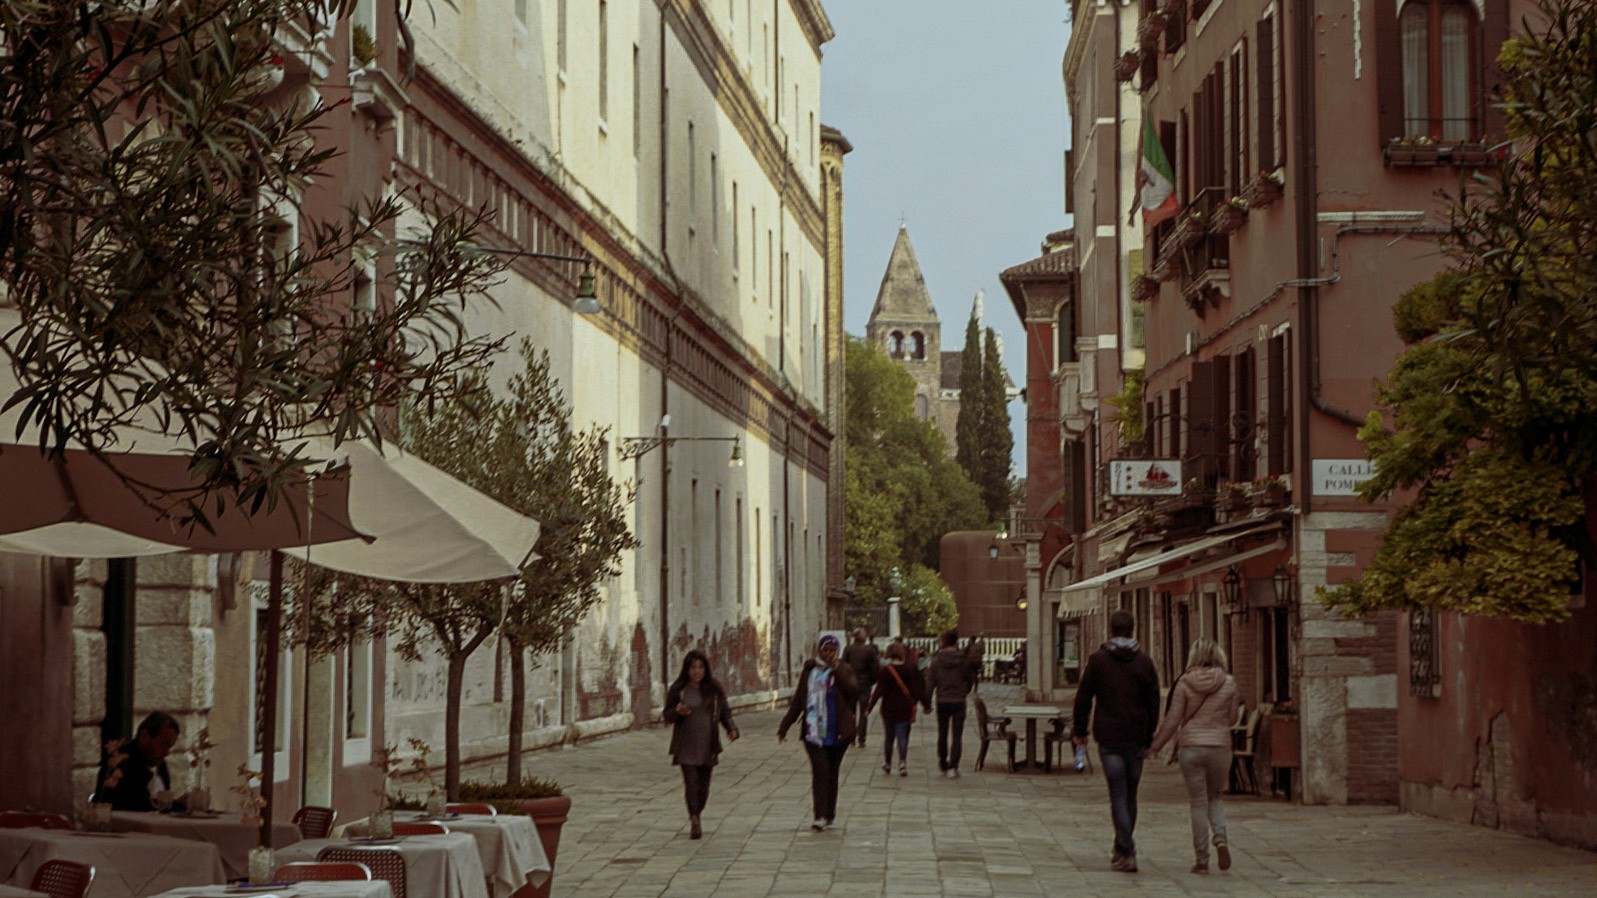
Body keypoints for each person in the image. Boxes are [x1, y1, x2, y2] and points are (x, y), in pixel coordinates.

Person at [1071, 609, 1161, 873]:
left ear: (1110, 630)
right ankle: (1121, 848)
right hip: (1136, 737)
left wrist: (1080, 730)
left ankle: (1126, 850)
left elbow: (1083, 697)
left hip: (1109, 736)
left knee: (1118, 795)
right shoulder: (1144, 662)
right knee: (1130, 796)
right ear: (1133, 629)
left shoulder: (1099, 661)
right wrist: (1149, 735)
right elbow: (1154, 702)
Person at [1149, 638, 1240, 874]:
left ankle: (1201, 861)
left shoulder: (1184, 682)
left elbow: (1172, 720)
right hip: (1220, 747)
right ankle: (1220, 839)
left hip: (1190, 747)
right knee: (1215, 797)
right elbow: (1232, 719)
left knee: (1198, 802)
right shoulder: (1229, 682)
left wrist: (1155, 746)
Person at [778, 634, 859, 831]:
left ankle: (829, 813)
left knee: (832, 772)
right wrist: (785, 725)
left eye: (832, 650)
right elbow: (799, 700)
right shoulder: (810, 671)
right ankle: (819, 816)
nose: (828, 654)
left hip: (838, 731)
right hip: (813, 732)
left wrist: (837, 670)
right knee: (820, 771)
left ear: (837, 651)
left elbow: (853, 691)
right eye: (825, 650)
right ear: (819, 651)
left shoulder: (844, 668)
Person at [663, 650, 740, 839]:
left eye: (700, 667)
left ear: (705, 669)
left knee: (703, 788)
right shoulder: (678, 689)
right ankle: (695, 820)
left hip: (708, 745)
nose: (696, 671)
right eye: (693, 668)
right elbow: (667, 715)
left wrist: (731, 728)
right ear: (686, 670)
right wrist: (677, 711)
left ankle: (698, 810)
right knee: (691, 784)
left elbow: (724, 712)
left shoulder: (713, 689)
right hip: (686, 745)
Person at [97, 711, 180, 812]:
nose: (166, 752)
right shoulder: (122, 762)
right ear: (144, 736)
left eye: (169, 747)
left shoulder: (161, 765)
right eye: (164, 745)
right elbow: (136, 805)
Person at [923, 629, 977, 778]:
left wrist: (927, 703)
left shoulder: (936, 661)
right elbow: (970, 679)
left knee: (942, 733)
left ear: (944, 642)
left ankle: (943, 761)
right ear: (956, 642)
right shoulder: (963, 660)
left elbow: (930, 683)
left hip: (943, 699)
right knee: (957, 735)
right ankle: (954, 765)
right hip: (959, 700)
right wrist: (964, 690)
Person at [865, 642, 923, 776]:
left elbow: (878, 691)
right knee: (902, 737)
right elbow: (914, 689)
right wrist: (921, 703)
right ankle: (902, 763)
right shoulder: (908, 669)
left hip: (888, 708)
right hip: (904, 708)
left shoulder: (885, 671)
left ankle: (888, 763)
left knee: (889, 738)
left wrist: (869, 707)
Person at [841, 628, 880, 747]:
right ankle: (861, 738)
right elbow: (875, 667)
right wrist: (872, 680)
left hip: (850, 684)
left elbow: (843, 665)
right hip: (865, 684)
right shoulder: (870, 650)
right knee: (864, 712)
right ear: (862, 637)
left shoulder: (848, 649)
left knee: (851, 711)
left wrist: (845, 681)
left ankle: (851, 736)